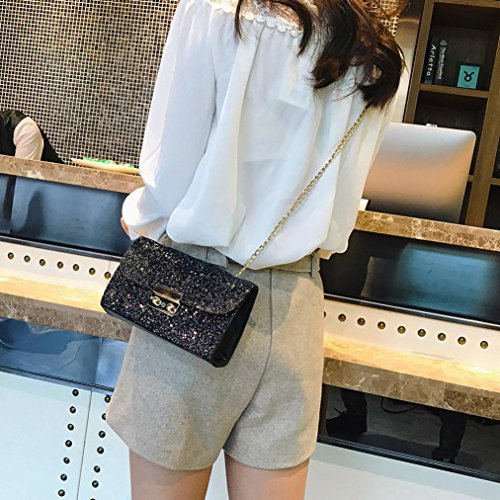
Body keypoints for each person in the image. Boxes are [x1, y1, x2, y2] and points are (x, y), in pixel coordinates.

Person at [105, 0, 407, 498]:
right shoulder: (374, 52)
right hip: (295, 306)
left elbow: (171, 170)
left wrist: (142, 218)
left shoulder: (219, 11)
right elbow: (340, 216)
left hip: (192, 293)